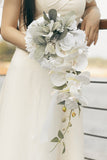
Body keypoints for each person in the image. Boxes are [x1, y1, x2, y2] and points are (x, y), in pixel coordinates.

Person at [0, 0, 100, 160]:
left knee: (60, 140)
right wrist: (47, 50)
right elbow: (6, 29)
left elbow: (91, 5)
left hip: (66, 75)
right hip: (30, 69)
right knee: (27, 140)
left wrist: (95, 14)